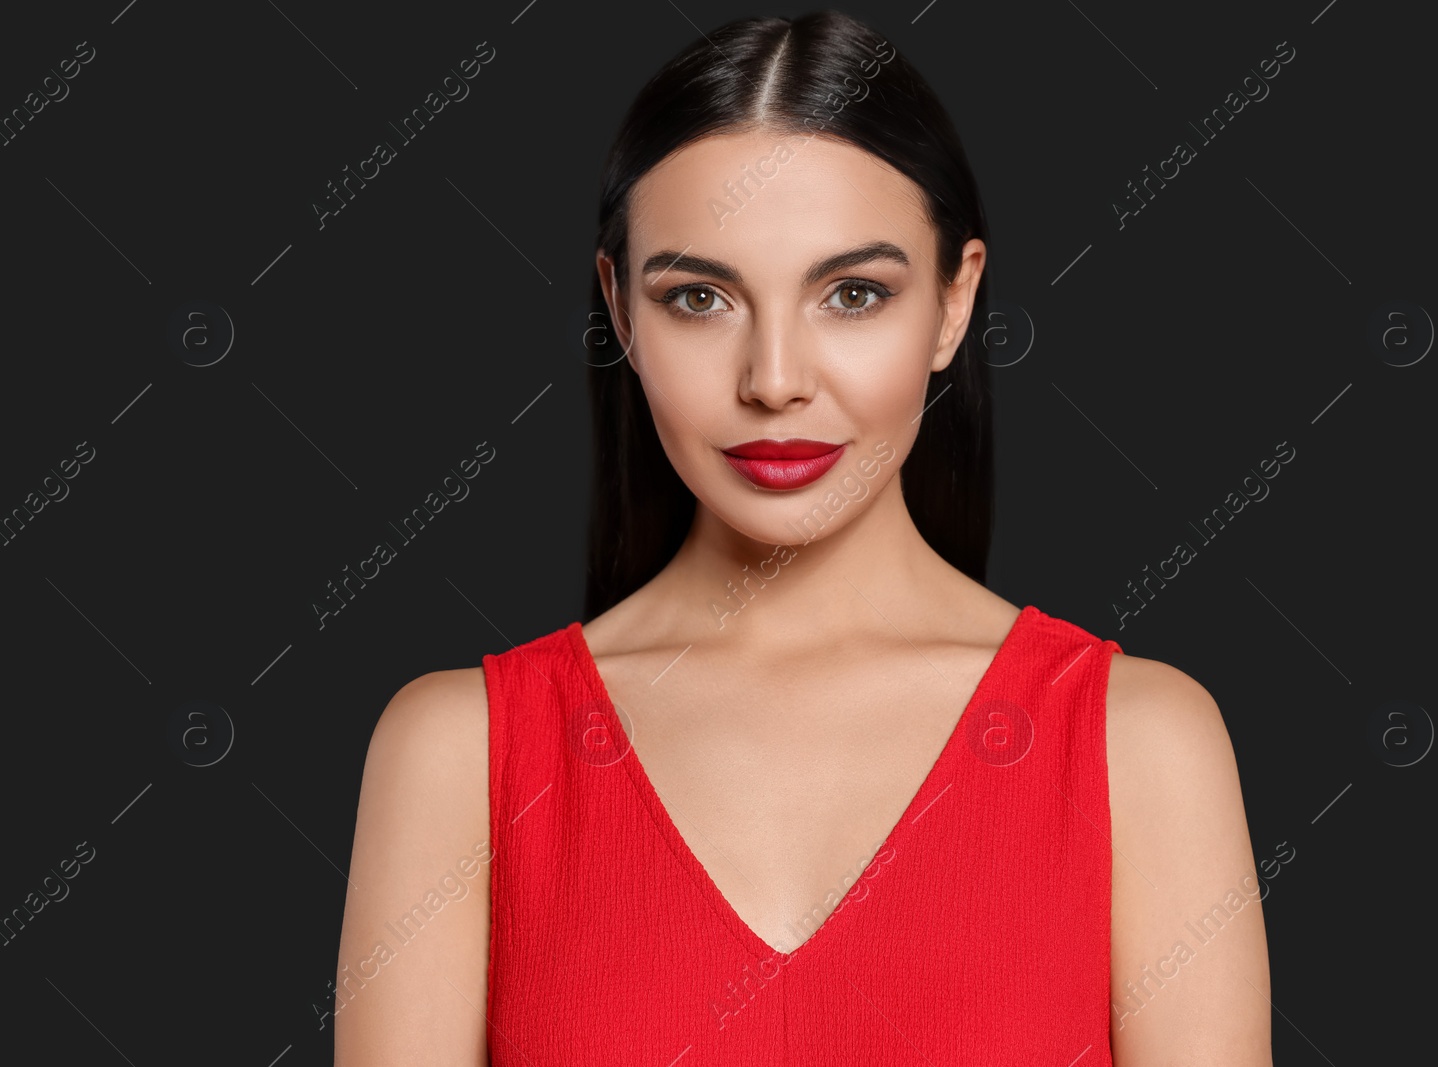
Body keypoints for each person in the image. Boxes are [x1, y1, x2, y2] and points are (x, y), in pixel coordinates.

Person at [334, 10, 1270, 1065]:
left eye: (853, 294)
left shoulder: (1136, 743)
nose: (774, 379)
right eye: (699, 297)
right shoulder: (460, 753)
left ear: (954, 303)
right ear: (620, 310)